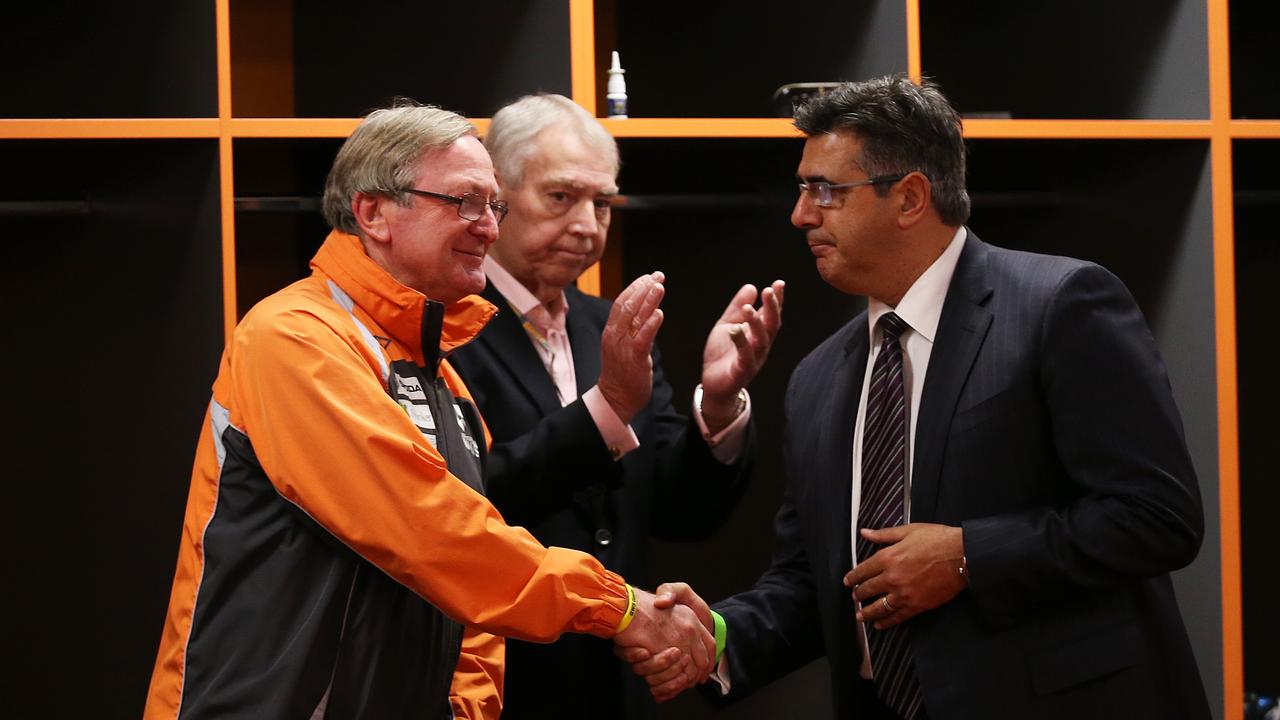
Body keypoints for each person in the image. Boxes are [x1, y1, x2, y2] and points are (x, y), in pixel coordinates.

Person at [623, 75, 1211, 719]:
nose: (800, 214)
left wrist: (967, 558)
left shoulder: (1060, 305)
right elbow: (813, 582)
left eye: (825, 191)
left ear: (908, 198)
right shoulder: (818, 376)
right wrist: (717, 638)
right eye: (801, 189)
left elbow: (1158, 518)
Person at [142, 101, 716, 720]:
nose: (489, 228)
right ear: (373, 212)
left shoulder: (440, 374)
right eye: (464, 202)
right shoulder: (295, 339)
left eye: (494, 206)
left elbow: (473, 583)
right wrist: (617, 606)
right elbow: (431, 532)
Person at [446, 92, 784, 719]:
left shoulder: (607, 325)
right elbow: (464, 507)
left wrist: (717, 401)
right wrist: (605, 410)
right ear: (496, 197)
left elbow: (681, 510)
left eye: (601, 203)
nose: (586, 224)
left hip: (623, 684)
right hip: (496, 681)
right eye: (561, 197)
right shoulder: (443, 327)